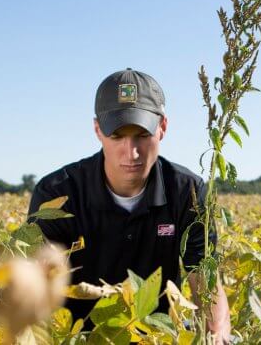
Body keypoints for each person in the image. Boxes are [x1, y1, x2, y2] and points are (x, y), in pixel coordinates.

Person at [28, 68, 231, 341]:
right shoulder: (57, 194)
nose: (132, 152)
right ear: (98, 130)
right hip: (77, 338)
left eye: (142, 135)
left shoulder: (188, 193)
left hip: (155, 336)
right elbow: (37, 292)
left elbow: (205, 286)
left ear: (163, 128)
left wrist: (216, 336)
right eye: (117, 136)